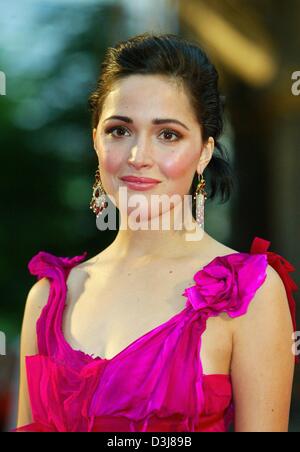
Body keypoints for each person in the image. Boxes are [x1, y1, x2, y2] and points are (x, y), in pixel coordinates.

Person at [14, 33, 298, 432]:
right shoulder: (47, 297)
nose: (138, 157)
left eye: (168, 135)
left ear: (203, 151)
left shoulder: (249, 291)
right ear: (96, 140)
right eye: (119, 130)